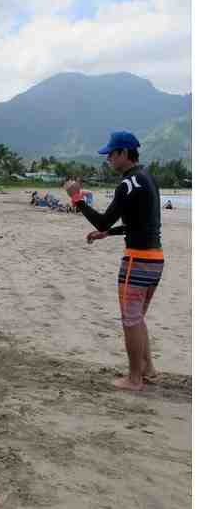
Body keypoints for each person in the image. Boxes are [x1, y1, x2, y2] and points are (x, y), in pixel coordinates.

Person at [64, 131, 163, 391]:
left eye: (111, 153)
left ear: (124, 153)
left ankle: (134, 379)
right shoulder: (149, 178)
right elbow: (142, 224)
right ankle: (148, 370)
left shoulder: (127, 184)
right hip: (155, 260)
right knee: (138, 319)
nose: (108, 158)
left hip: (136, 261)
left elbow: (102, 219)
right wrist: (110, 233)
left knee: (130, 321)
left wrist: (76, 198)